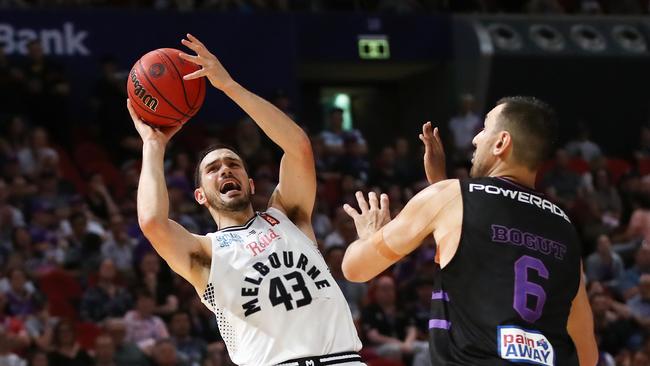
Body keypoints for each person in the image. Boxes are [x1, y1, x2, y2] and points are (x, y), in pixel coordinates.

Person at [127, 33, 362, 366]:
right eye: (213, 169)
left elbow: (298, 147)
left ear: (250, 184)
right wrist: (153, 146)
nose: (225, 170)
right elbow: (152, 222)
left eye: (233, 163)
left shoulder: (289, 217)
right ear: (200, 196)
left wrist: (229, 86)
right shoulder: (205, 254)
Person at [341, 97, 598, 365]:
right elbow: (587, 354)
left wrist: (370, 234)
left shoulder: (450, 197)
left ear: (501, 143)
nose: (476, 138)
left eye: (485, 129)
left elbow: (356, 269)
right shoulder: (564, 226)